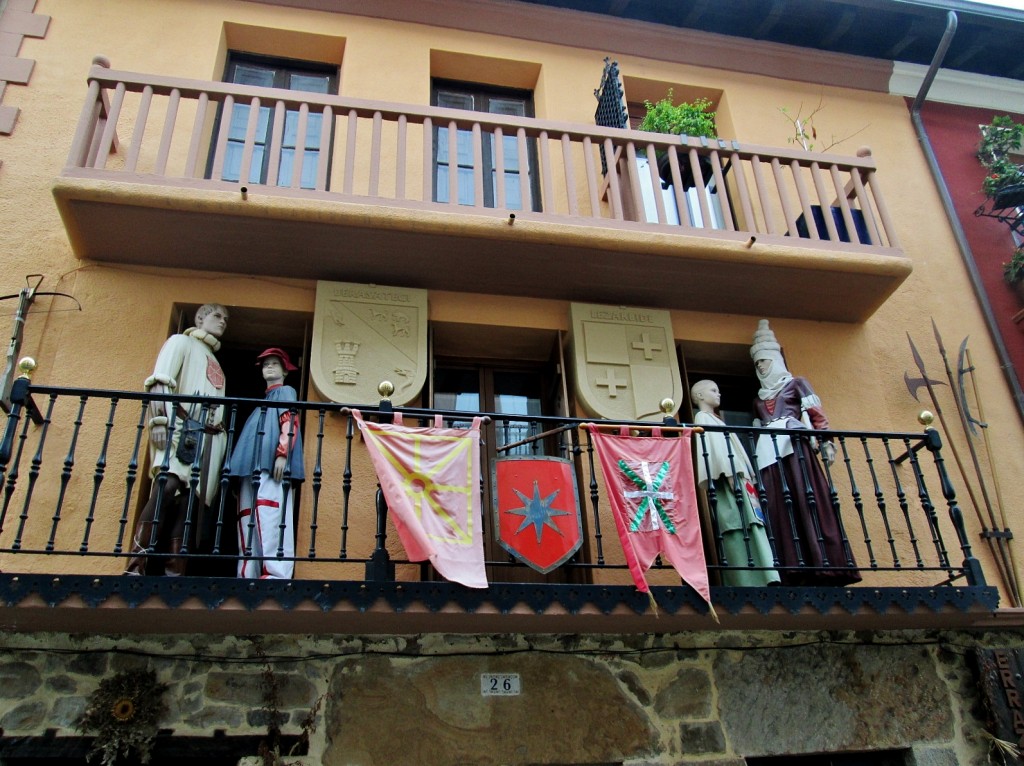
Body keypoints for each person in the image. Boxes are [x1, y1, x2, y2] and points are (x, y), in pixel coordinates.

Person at [749, 319, 860, 586]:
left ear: (775, 359)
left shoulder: (796, 383)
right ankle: (791, 567)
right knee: (779, 507)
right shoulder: (757, 400)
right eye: (757, 364)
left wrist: (826, 442)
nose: (761, 366)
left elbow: (817, 416)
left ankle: (824, 563)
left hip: (794, 446)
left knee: (805, 498)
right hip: (768, 455)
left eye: (764, 360)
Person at [125, 303, 229, 576]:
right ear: (200, 318)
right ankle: (138, 562)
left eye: (225, 319)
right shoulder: (180, 342)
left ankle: (175, 570)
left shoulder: (216, 363)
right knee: (166, 486)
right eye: (217, 316)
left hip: (209, 438)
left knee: (189, 503)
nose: (223, 322)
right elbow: (161, 380)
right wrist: (159, 420)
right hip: (181, 427)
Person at [690, 379, 781, 587]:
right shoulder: (703, 417)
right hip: (731, 481)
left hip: (739, 479)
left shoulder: (715, 418)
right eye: (713, 390)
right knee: (738, 525)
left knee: (750, 522)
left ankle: (764, 573)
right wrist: (731, 474)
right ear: (700, 396)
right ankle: (751, 577)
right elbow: (719, 451)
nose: (718, 394)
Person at [225, 347, 304, 579]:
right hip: (251, 468)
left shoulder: (285, 392)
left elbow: (290, 421)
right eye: (266, 364)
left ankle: (275, 572)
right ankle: (247, 572)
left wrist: (282, 453)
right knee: (248, 514)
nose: (269, 367)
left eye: (274, 364)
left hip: (271, 466)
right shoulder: (264, 401)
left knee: (270, 513)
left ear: (285, 370)